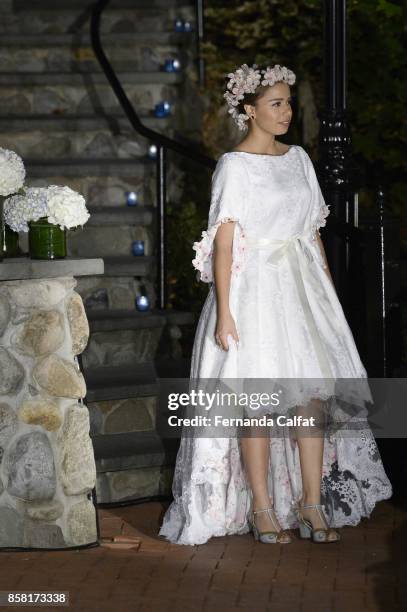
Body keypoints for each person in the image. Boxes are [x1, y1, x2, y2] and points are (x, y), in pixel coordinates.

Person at [159, 63, 392, 546]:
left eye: (287, 102)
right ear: (250, 111)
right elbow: (224, 244)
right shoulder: (233, 166)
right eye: (276, 104)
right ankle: (262, 508)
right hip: (253, 292)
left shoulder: (300, 159)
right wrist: (225, 312)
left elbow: (312, 233)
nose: (286, 112)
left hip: (300, 289)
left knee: (312, 399)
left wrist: (327, 297)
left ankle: (311, 503)